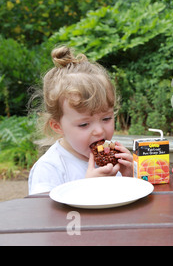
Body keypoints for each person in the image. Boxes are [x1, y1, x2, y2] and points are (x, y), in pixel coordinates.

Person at [28, 46, 133, 195]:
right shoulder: (50, 169)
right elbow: (44, 216)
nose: (99, 131)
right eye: (84, 124)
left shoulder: (117, 159)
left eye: (106, 118)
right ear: (58, 126)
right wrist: (86, 189)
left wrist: (130, 176)